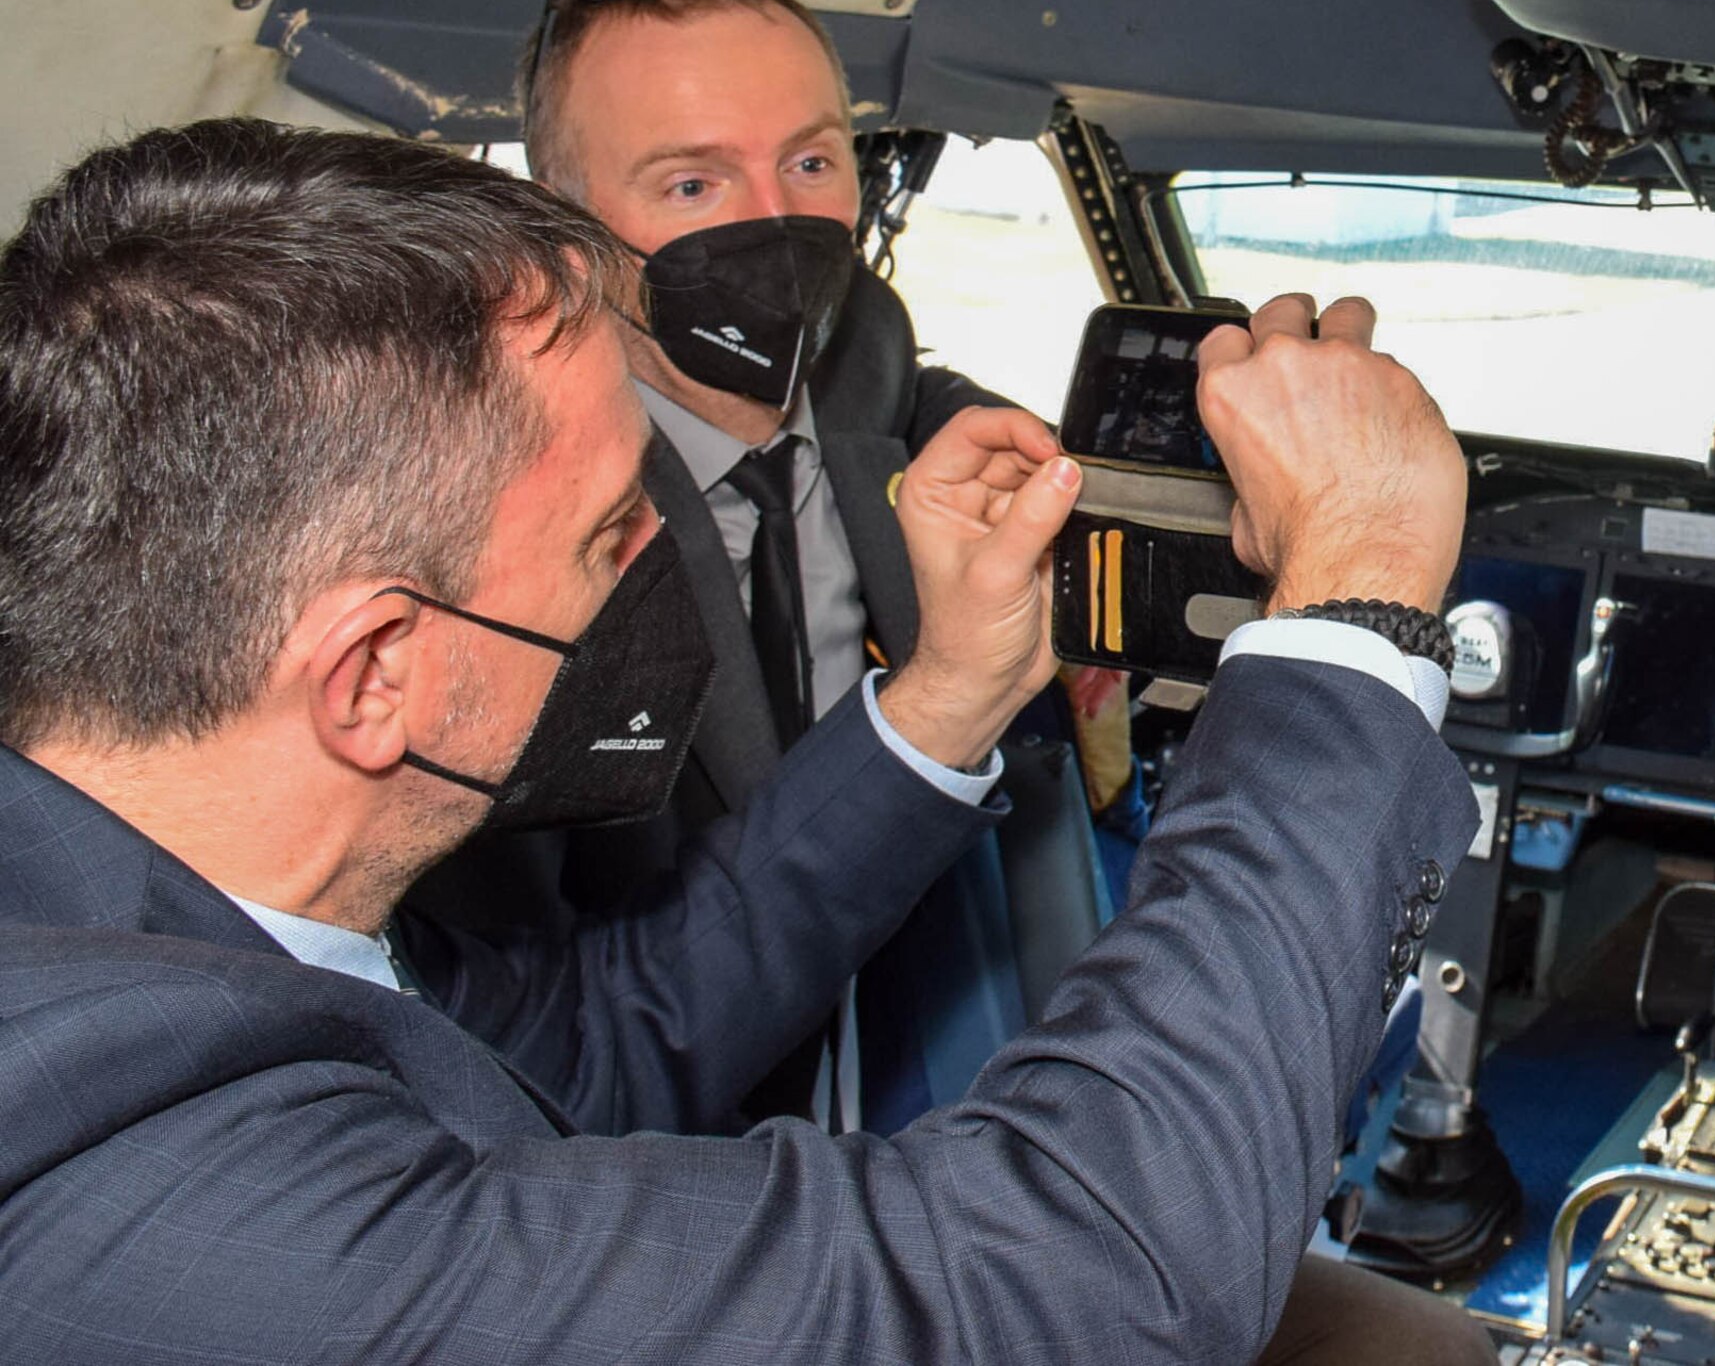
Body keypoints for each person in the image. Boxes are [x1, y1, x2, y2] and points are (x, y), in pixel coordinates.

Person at [0, 118, 1493, 1363]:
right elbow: (1087, 1275)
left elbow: (607, 1042)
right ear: (374, 671)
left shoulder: (191, 891)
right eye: (607, 532)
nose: (670, 541)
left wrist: (945, 696)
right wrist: (1354, 606)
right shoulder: (144, 1167)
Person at [432, 0, 1121, 1131]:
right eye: (692, 183)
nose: (778, 224)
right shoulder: (498, 543)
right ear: (564, 223)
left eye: (810, 160)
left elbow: (905, 389)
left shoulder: (866, 354)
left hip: (901, 1015)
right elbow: (524, 1030)